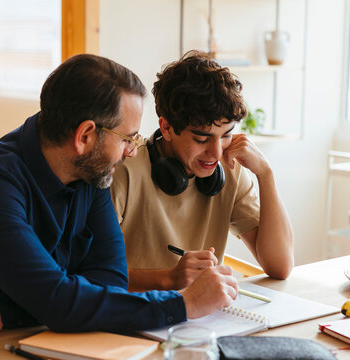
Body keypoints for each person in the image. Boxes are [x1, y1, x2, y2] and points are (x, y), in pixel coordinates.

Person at [0, 54, 238, 351]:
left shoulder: (92, 172)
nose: (132, 150)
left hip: (28, 337)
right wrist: (184, 304)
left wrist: (15, 313)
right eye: (127, 138)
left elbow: (109, 279)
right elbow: (57, 301)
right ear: (85, 135)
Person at [111, 51, 294, 292]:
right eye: (201, 138)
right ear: (166, 127)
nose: (216, 153)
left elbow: (280, 266)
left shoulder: (230, 169)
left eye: (226, 135)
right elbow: (90, 273)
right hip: (133, 317)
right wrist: (169, 279)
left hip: (201, 319)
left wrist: (265, 175)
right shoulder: (124, 170)